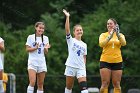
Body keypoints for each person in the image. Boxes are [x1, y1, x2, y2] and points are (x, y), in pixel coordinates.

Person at [63, 9, 88, 93]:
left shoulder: (84, 44)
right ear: (74, 32)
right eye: (77, 30)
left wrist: (83, 67)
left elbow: (84, 57)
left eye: (81, 30)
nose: (79, 31)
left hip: (81, 68)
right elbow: (67, 30)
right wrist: (67, 17)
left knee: (84, 89)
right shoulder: (71, 40)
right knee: (69, 88)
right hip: (70, 66)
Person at [99, 18, 126, 93]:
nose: (109, 25)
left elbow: (124, 43)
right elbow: (101, 44)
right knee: (105, 83)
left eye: (111, 23)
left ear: (115, 25)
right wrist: (110, 35)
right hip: (105, 61)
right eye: (108, 24)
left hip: (117, 61)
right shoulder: (103, 35)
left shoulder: (120, 35)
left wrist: (117, 34)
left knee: (117, 84)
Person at [26, 22, 50, 93]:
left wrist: (45, 48)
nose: (41, 30)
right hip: (32, 62)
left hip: (41, 63)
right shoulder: (30, 37)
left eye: (43, 28)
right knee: (32, 82)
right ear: (36, 28)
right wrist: (35, 48)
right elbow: (27, 49)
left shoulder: (46, 38)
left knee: (40, 84)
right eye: (40, 28)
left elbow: (46, 52)